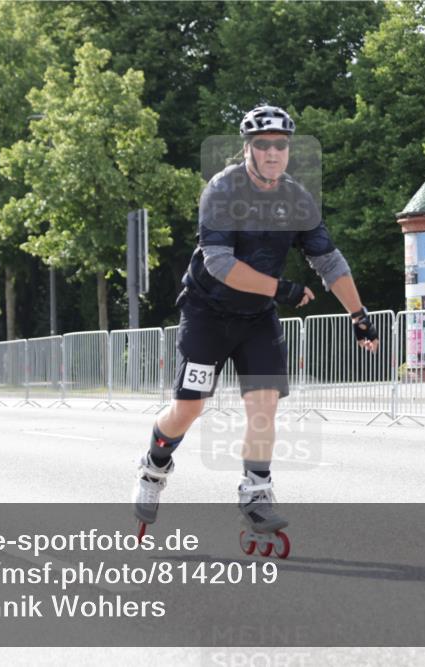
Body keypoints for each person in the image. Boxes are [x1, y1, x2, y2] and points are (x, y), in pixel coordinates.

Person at [132, 105, 379, 541]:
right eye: (263, 145)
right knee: (189, 408)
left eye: (280, 145)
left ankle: (256, 493)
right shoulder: (222, 190)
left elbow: (328, 260)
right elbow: (220, 263)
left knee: (264, 405)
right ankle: (154, 466)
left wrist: (358, 314)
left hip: (256, 318)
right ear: (247, 148)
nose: (272, 153)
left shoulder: (297, 199)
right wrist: (281, 288)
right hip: (207, 314)